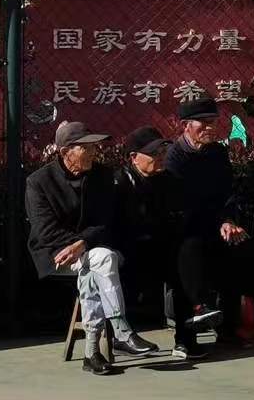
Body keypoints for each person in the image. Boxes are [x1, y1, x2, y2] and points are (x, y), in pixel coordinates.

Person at [26, 121, 157, 374]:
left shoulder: (103, 175)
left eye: (95, 145)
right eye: (87, 147)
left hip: (95, 247)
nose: (95, 150)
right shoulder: (38, 182)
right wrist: (75, 245)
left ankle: (94, 352)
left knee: (98, 261)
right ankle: (117, 331)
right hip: (56, 254)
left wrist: (83, 243)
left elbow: (106, 221)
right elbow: (44, 231)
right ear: (66, 152)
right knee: (100, 262)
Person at [166, 97, 254, 345]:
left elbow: (228, 193)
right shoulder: (174, 157)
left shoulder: (218, 153)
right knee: (193, 248)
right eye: (203, 123)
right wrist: (217, 222)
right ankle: (199, 309)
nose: (210, 128)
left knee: (240, 245)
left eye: (213, 122)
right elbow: (182, 204)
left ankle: (231, 328)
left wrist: (228, 220)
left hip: (217, 225)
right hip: (186, 229)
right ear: (186, 125)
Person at [114, 126, 208, 360]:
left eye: (162, 150)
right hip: (130, 251)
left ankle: (186, 339)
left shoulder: (170, 180)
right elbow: (115, 227)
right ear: (133, 157)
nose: (160, 156)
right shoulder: (118, 184)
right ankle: (120, 336)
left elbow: (184, 215)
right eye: (153, 153)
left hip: (164, 247)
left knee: (189, 251)